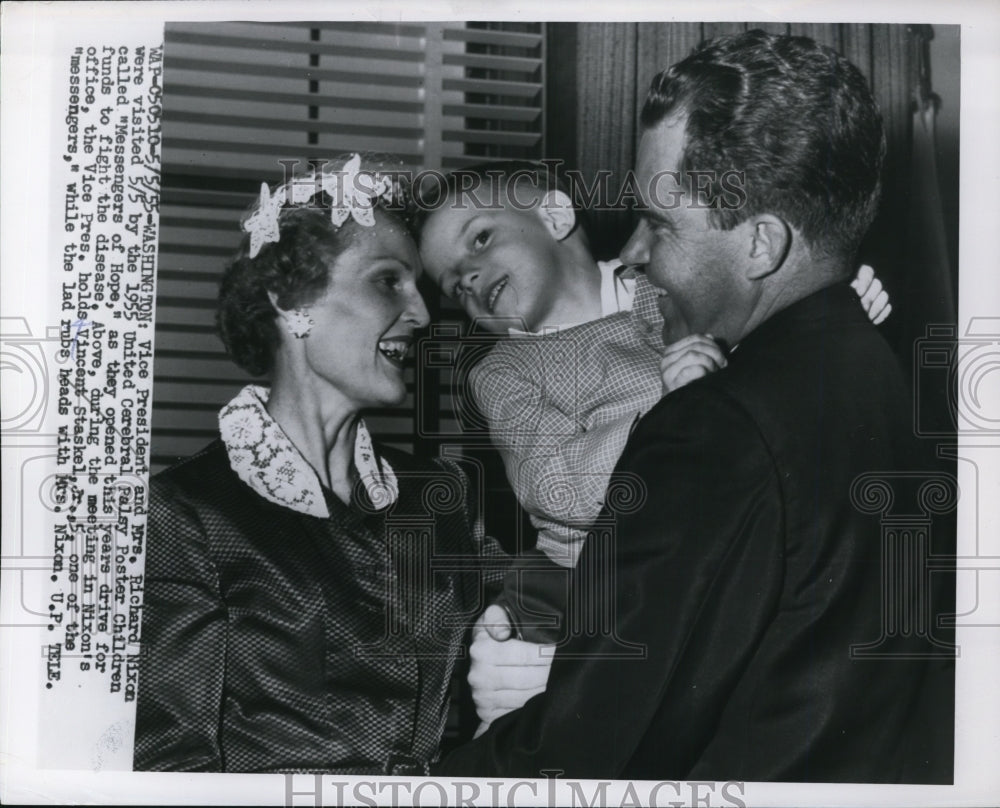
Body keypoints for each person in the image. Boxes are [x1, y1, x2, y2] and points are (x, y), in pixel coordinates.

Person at [435, 30, 953, 781]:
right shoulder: (876, 374)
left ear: (761, 245)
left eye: (662, 222)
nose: (636, 250)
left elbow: (594, 747)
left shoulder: (715, 427)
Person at [133, 154, 506, 774]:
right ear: (288, 297)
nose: (421, 314)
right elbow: (169, 767)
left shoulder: (443, 493)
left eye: (418, 287)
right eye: (388, 280)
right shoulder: (184, 514)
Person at [416, 161, 891, 641]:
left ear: (556, 217)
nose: (469, 279)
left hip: (719, 535)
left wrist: (828, 316)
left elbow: (760, 335)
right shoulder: (501, 370)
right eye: (454, 286)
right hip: (593, 569)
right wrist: (668, 410)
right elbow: (550, 483)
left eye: (479, 241)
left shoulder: (663, 279)